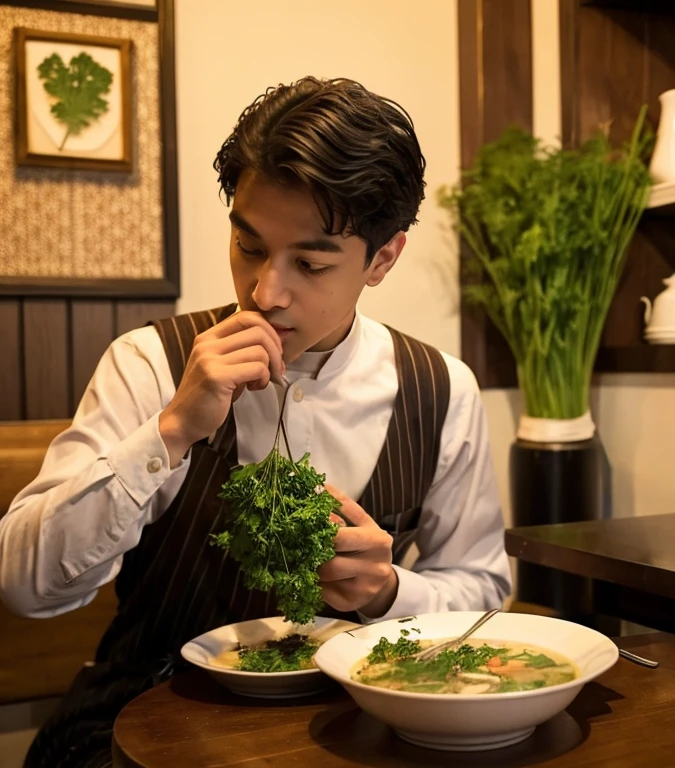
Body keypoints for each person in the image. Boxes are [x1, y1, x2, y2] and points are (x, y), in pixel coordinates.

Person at [0, 76, 511, 767]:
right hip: (139, 729)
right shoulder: (150, 363)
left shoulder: (440, 390)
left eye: (310, 262)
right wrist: (171, 431)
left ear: (382, 259)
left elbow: (480, 588)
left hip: (354, 730)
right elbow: (27, 587)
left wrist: (390, 591)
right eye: (249, 247)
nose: (266, 293)